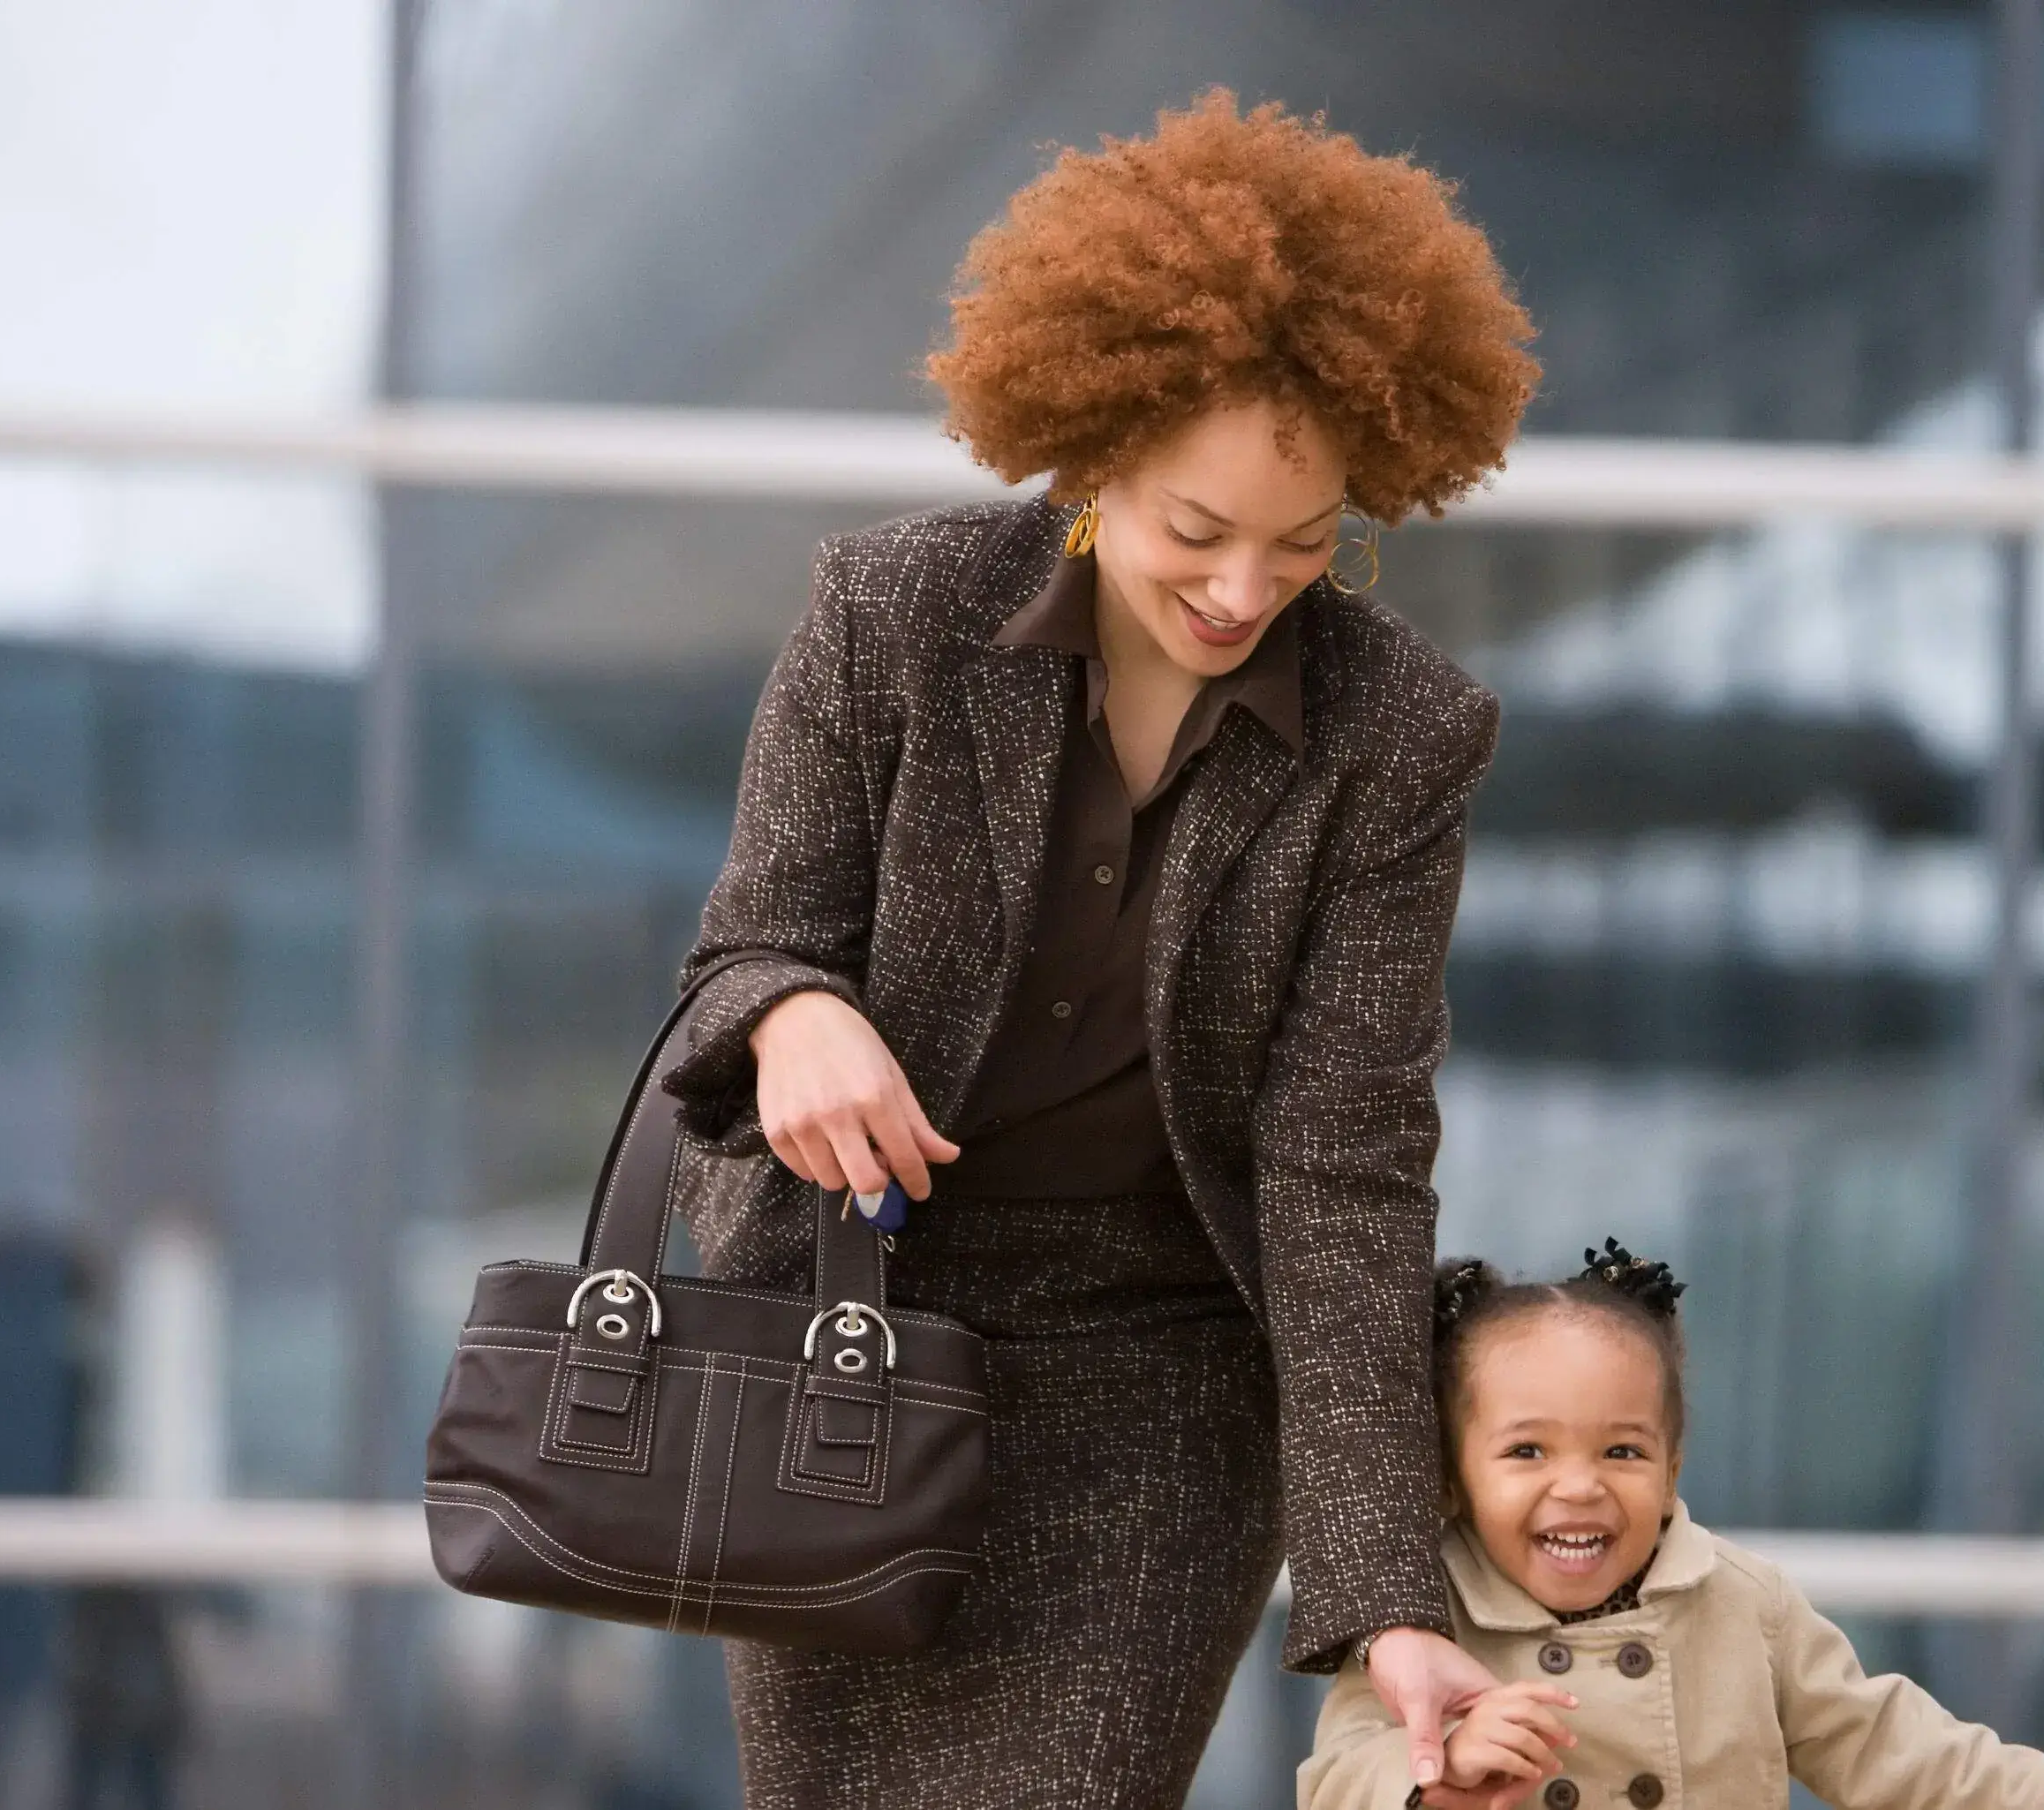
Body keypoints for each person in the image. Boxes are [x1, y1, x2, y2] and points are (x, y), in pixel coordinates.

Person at [657, 91, 1539, 1807]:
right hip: (850, 1331)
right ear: (1088, 454)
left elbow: (1345, 1166)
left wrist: (1387, 1597)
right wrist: (793, 1013)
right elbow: (749, 942)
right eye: (1193, 531)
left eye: (1307, 544)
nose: (1243, 591)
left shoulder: (1399, 738)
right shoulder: (891, 618)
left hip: (1161, 1385)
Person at [1298, 1244, 2044, 1810]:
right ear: (1452, 1478)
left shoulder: (1743, 1604)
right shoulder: (1418, 1614)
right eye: (1528, 1450)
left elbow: (1888, 1743)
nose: (1581, 1485)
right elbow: (1334, 1779)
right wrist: (1441, 1761)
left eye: (1623, 1451)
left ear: (1672, 1471)